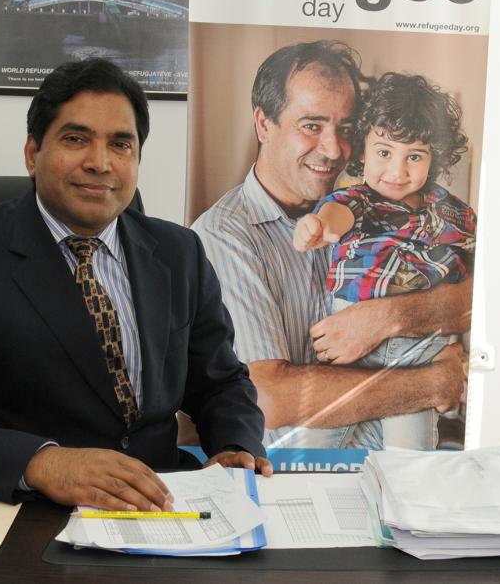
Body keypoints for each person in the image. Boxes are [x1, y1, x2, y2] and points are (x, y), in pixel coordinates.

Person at [0, 58, 271, 509]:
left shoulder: (180, 253)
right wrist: (43, 462)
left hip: (160, 505)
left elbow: (221, 382)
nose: (99, 163)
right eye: (76, 139)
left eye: (121, 144)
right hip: (29, 515)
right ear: (32, 153)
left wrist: (236, 447)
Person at [191, 40, 469, 450]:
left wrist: (390, 317)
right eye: (311, 125)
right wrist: (430, 382)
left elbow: (479, 298)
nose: (333, 148)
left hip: (401, 468)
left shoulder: (381, 206)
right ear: (263, 124)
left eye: (346, 129)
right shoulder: (223, 236)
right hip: (300, 479)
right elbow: (270, 398)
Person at [292, 72, 477, 449]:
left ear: (434, 159)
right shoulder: (358, 200)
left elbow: (480, 257)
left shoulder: (450, 211)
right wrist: (316, 226)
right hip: (349, 351)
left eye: (414, 156)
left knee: (410, 460)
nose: (397, 171)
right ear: (362, 151)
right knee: (313, 444)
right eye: (384, 152)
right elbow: (335, 217)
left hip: (419, 352)